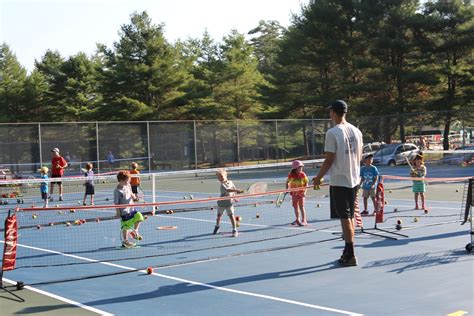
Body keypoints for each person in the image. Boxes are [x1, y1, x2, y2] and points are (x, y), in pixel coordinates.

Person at [312, 100, 363, 267]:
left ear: (333, 112)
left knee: (345, 218)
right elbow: (359, 156)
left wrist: (319, 177)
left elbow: (329, 159)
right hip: (355, 179)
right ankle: (348, 251)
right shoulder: (357, 131)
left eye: (330, 111)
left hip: (340, 181)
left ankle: (350, 254)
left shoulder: (332, 132)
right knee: (350, 217)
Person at [114, 170, 144, 248]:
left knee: (139, 217)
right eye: (127, 181)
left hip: (131, 209)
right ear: (121, 180)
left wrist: (134, 197)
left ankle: (135, 231)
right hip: (124, 212)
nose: (128, 182)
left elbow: (131, 193)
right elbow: (116, 203)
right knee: (126, 227)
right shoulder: (117, 191)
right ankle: (125, 241)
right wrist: (117, 213)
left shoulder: (128, 185)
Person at [213, 169, 244, 237]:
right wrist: (237, 190)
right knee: (219, 216)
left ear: (226, 175)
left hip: (229, 204)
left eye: (221, 176)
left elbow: (233, 191)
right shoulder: (222, 185)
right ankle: (217, 226)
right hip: (221, 203)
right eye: (219, 177)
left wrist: (235, 197)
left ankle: (234, 230)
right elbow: (228, 190)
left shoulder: (231, 182)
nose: (220, 178)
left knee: (231, 216)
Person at [286, 160, 309, 226]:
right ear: (295, 168)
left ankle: (304, 220)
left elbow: (306, 183)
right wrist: (287, 188)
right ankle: (297, 219)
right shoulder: (291, 175)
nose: (301, 168)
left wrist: (305, 191)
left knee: (301, 206)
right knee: (295, 207)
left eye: (301, 167)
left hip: (301, 193)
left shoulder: (303, 175)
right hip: (294, 194)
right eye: (299, 167)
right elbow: (287, 182)